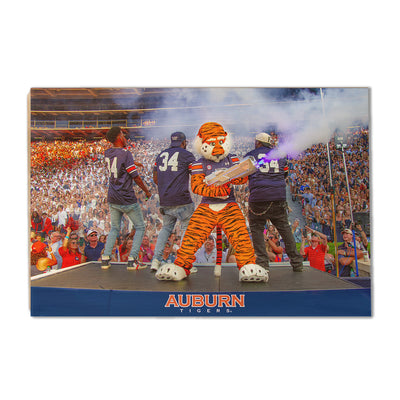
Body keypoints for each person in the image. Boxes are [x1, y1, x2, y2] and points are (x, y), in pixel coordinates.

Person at [245, 132, 304, 273]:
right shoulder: (280, 154)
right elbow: (285, 174)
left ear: (258, 142)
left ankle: (262, 263)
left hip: (259, 198)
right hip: (278, 197)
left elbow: (244, 174)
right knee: (285, 230)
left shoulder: (250, 155)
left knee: (257, 229)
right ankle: (296, 262)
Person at [101, 126, 151, 270]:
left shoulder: (107, 152)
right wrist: (146, 191)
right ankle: (132, 260)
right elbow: (136, 177)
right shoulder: (126, 153)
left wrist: (133, 163)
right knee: (140, 227)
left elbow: (118, 164)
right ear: (118, 137)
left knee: (114, 228)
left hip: (113, 197)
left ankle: (105, 259)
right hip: (126, 197)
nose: (125, 137)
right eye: (123, 134)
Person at [150, 132, 196, 271]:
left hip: (165, 199)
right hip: (182, 198)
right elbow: (195, 174)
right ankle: (184, 262)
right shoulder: (187, 155)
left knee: (165, 229)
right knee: (186, 229)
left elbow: (156, 178)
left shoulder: (161, 155)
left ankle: (156, 260)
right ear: (183, 142)